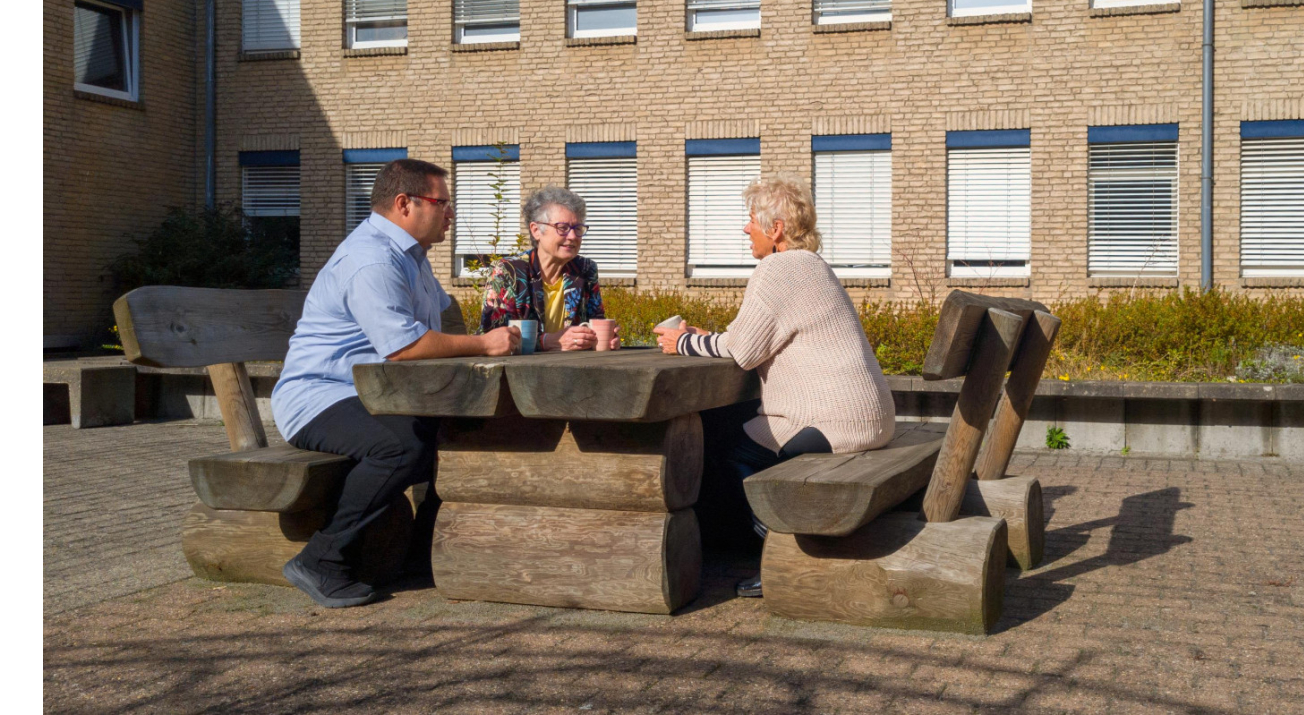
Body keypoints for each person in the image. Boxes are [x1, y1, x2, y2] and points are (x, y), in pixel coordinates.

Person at [271, 158, 521, 609]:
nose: (451, 214)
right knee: (401, 446)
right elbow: (404, 347)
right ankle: (322, 559)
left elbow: (433, 326)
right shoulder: (370, 258)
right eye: (441, 202)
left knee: (459, 429)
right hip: (320, 396)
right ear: (403, 204)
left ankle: (423, 550)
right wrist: (483, 346)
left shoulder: (410, 256)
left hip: (375, 392)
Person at [654, 174, 895, 598]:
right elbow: (755, 338)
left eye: (751, 220)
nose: (745, 229)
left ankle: (778, 547)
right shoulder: (814, 266)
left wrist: (682, 342)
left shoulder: (777, 268)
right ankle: (765, 538)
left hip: (828, 424)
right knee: (736, 428)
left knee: (721, 444)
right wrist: (712, 339)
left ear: (776, 228)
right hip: (871, 418)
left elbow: (743, 352)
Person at [478, 186, 620, 350]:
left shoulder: (585, 269)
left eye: (578, 229)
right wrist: (547, 341)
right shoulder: (507, 271)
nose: (573, 237)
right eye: (563, 228)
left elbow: (596, 322)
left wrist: (607, 339)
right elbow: (492, 337)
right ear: (536, 230)